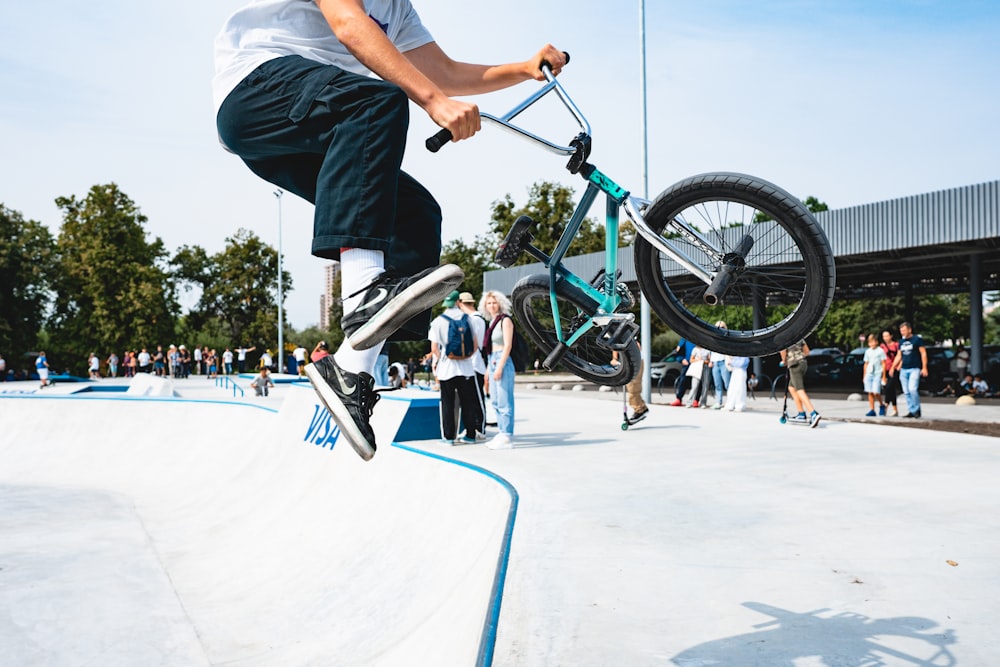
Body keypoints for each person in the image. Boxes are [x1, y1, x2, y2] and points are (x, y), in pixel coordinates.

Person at [213, 0, 567, 461]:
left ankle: (349, 368)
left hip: (311, 125)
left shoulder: (399, 11)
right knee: (376, 101)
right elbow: (347, 23)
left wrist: (522, 68)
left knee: (416, 214)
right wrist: (433, 102)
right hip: (256, 92)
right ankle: (363, 296)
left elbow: (442, 69)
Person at [430, 290, 485, 445]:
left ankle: (448, 437)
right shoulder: (469, 319)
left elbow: (434, 348)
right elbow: (475, 345)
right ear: (457, 302)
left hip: (447, 369)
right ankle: (470, 435)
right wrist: (465, 357)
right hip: (466, 369)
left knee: (447, 403)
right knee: (468, 402)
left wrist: (442, 359)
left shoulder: (438, 321)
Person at [480, 290, 518, 448]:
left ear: (500, 303)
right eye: (489, 303)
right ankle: (502, 432)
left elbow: (508, 345)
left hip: (503, 359)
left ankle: (507, 434)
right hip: (493, 359)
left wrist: (500, 367)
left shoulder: (505, 320)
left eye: (494, 302)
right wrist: (489, 369)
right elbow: (490, 348)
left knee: (504, 400)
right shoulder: (492, 322)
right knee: (495, 400)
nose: (492, 306)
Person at [458, 292, 488, 435]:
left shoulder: (474, 319)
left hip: (475, 364)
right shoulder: (474, 319)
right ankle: (472, 427)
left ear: (460, 303)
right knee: (469, 399)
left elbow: (473, 343)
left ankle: (479, 428)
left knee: (477, 398)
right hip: (470, 364)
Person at [780, 340, 821, 427]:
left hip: (794, 364)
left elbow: (783, 352)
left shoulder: (784, 337)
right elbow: (807, 352)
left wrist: (784, 361)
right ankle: (801, 413)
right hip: (803, 363)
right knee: (791, 387)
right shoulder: (799, 336)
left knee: (799, 389)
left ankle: (813, 413)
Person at [892, 321, 928, 418]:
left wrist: (924, 367)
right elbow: (899, 355)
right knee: (906, 392)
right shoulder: (901, 342)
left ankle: (917, 409)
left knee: (912, 389)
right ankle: (911, 410)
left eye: (904, 330)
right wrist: (893, 367)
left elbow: (923, 353)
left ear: (909, 330)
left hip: (914, 368)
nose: (902, 332)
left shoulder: (917, 340)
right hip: (904, 369)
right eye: (901, 331)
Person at [862, 333, 887, 417]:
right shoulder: (868, 351)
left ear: (876, 342)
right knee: (870, 392)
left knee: (876, 392)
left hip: (877, 373)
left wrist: (883, 376)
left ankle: (881, 405)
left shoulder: (880, 351)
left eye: (873, 342)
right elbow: (866, 363)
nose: (871, 344)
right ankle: (872, 409)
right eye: (870, 343)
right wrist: (864, 375)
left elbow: (883, 363)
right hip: (869, 373)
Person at [668, 337, 697, 406]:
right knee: (683, 380)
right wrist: (681, 360)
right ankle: (679, 399)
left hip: (697, 362)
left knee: (697, 382)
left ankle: (696, 400)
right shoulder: (685, 338)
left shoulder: (699, 336)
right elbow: (678, 352)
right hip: (687, 363)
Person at [880, 329, 901, 416]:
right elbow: (881, 359)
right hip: (886, 369)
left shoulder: (896, 345)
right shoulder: (882, 346)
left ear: (891, 336)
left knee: (889, 387)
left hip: (895, 369)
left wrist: (899, 366)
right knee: (891, 390)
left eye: (887, 336)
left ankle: (886, 405)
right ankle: (895, 409)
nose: (885, 338)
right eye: (884, 336)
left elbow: (900, 356)